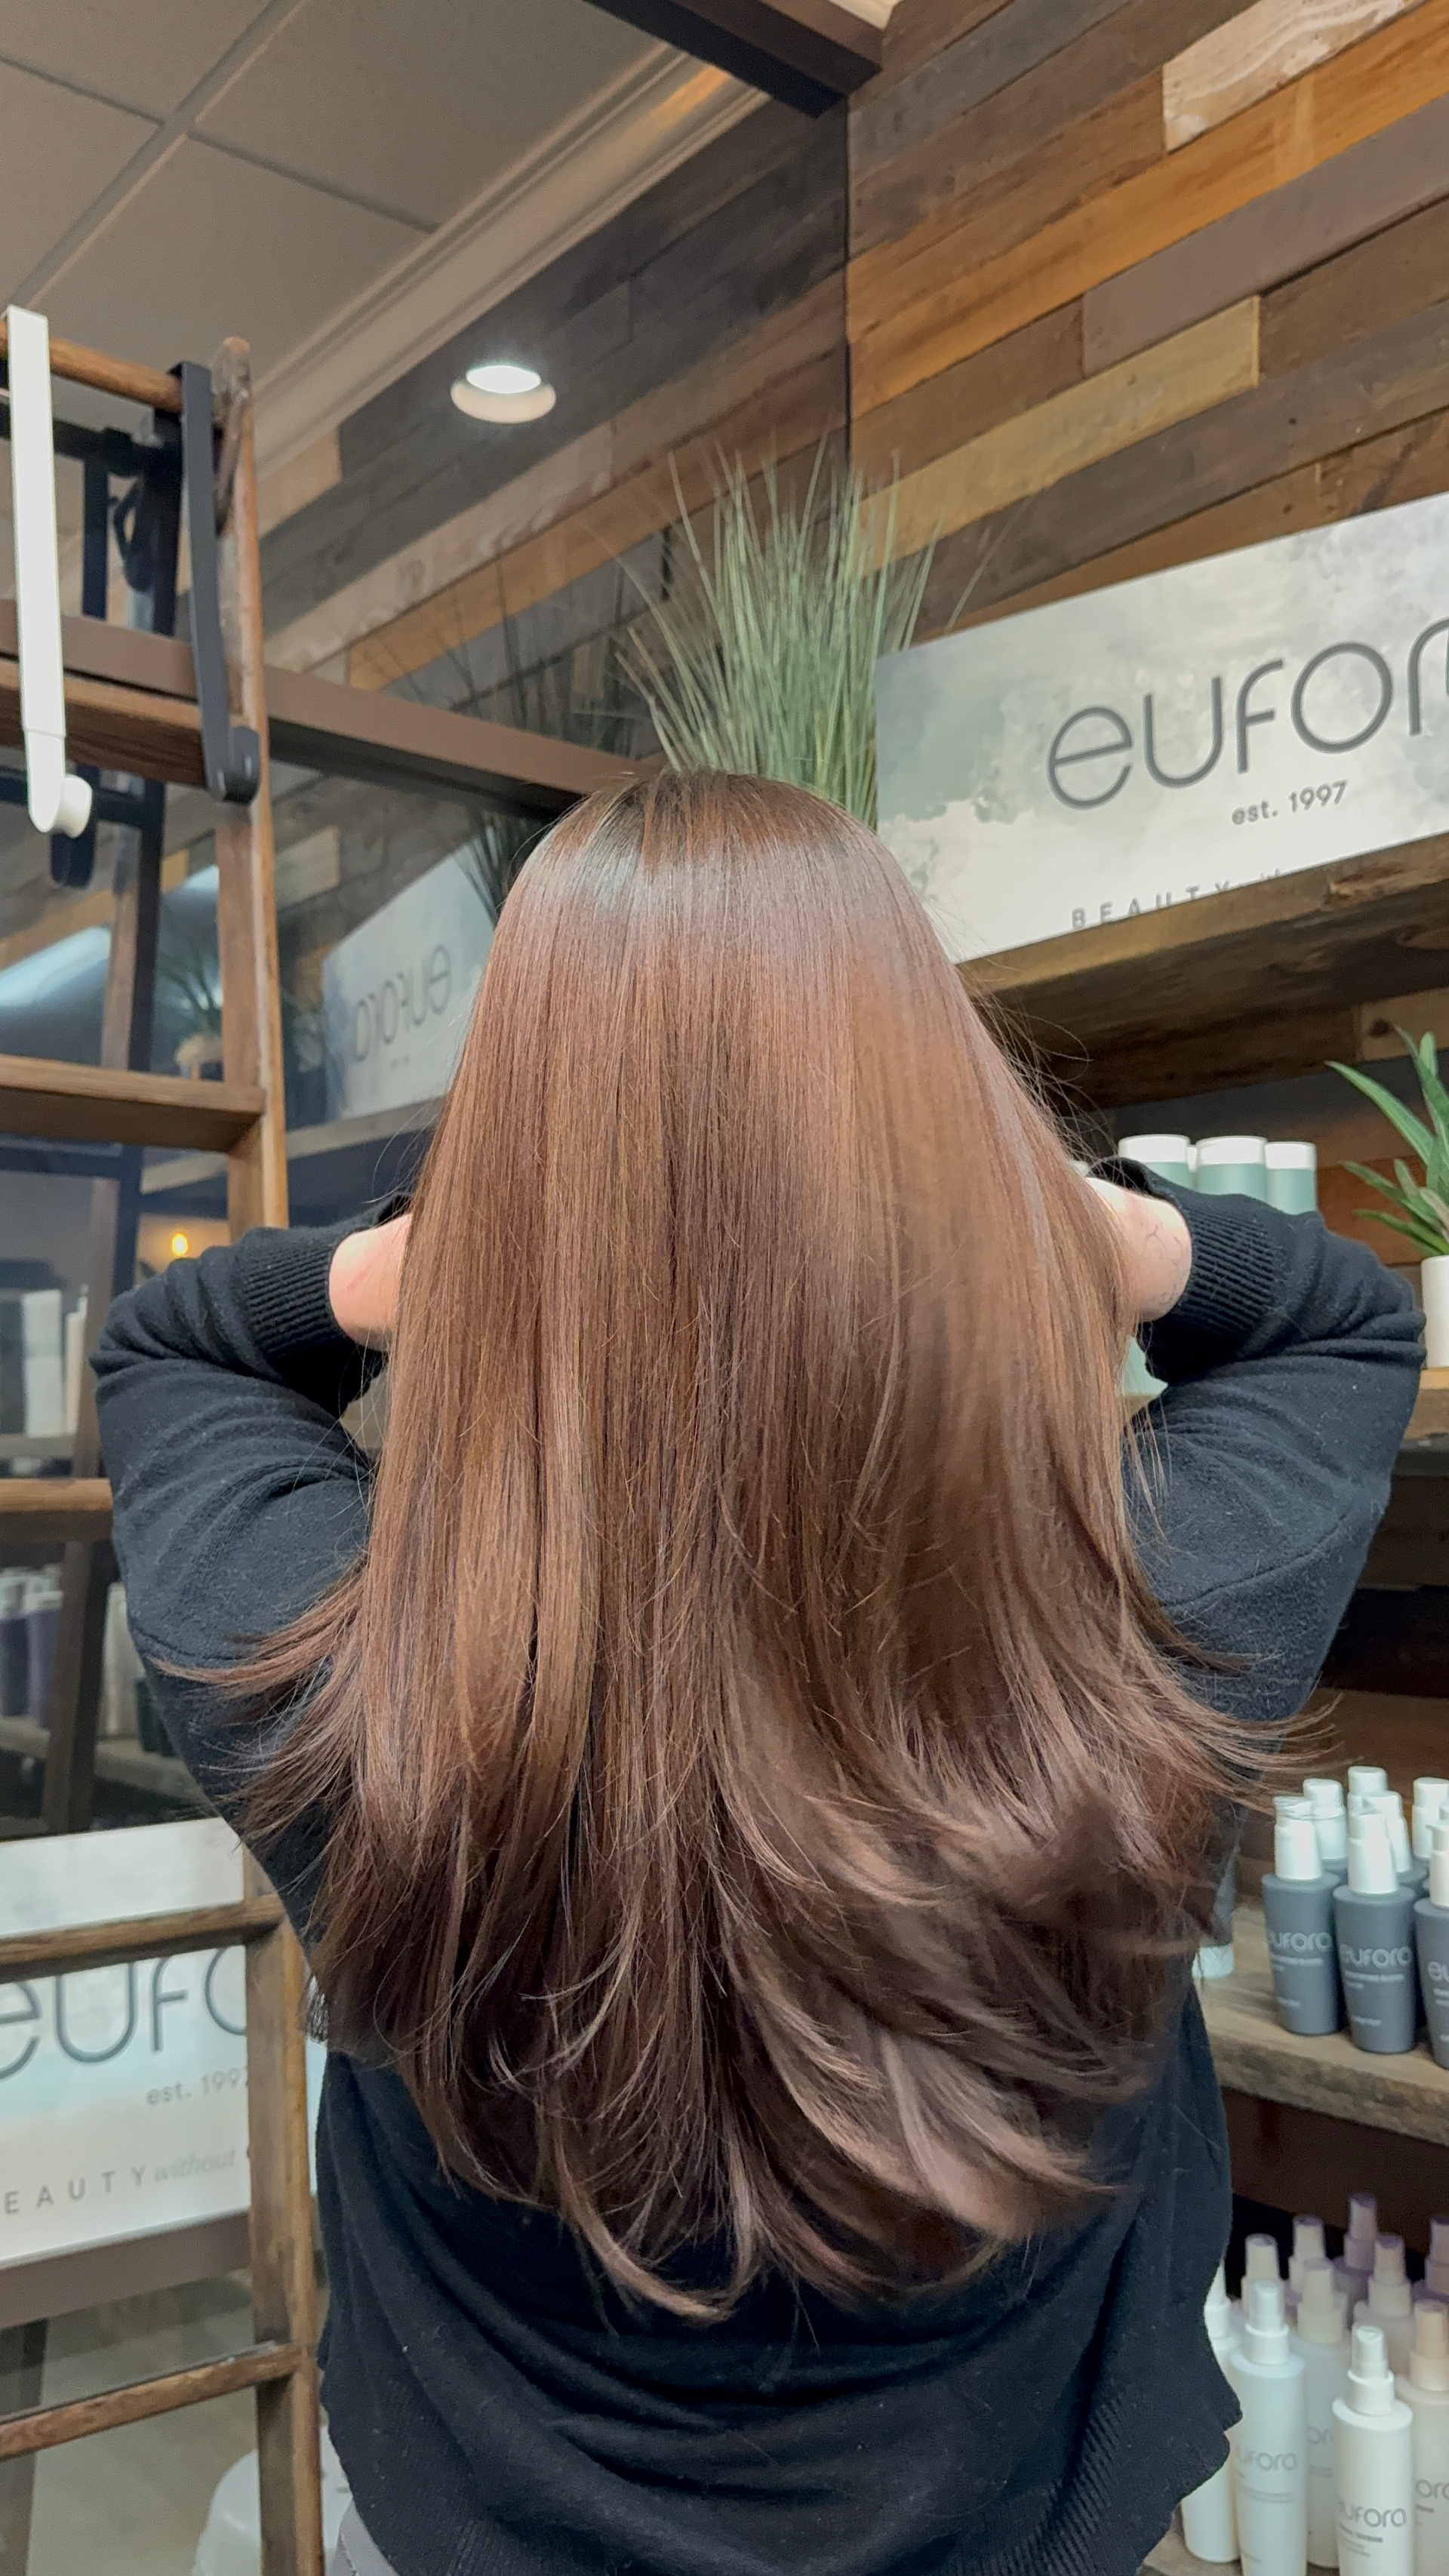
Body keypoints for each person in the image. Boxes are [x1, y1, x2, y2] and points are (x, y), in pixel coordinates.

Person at [93, 772, 1420, 2576]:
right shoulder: (1144, 1626)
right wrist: (1058, 1221)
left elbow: (175, 1345)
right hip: (1024, 2515)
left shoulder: (334, 1669)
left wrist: (489, 1244)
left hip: (480, 2518)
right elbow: (1338, 1314)